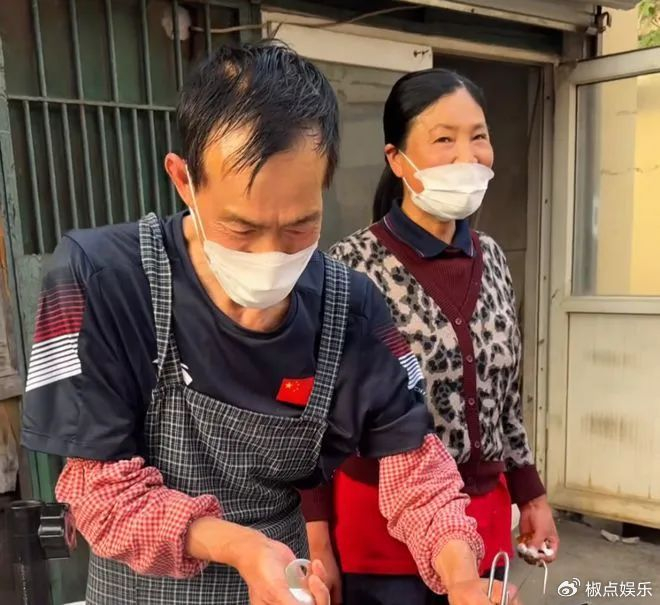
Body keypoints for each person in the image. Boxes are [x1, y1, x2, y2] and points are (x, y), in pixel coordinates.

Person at [21, 45, 512, 605]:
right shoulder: (101, 278)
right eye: (241, 228)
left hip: (290, 586)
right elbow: (98, 492)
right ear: (183, 180)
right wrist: (242, 548)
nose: (271, 254)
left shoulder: (349, 306)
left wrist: (461, 574)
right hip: (139, 592)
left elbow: (416, 469)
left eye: (300, 226)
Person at [302, 68, 559, 604]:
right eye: (444, 139)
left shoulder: (492, 260)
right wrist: (317, 538)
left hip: (485, 528)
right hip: (382, 537)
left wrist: (531, 494)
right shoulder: (349, 267)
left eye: (478, 136)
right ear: (397, 159)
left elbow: (505, 401)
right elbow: (316, 417)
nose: (468, 155)